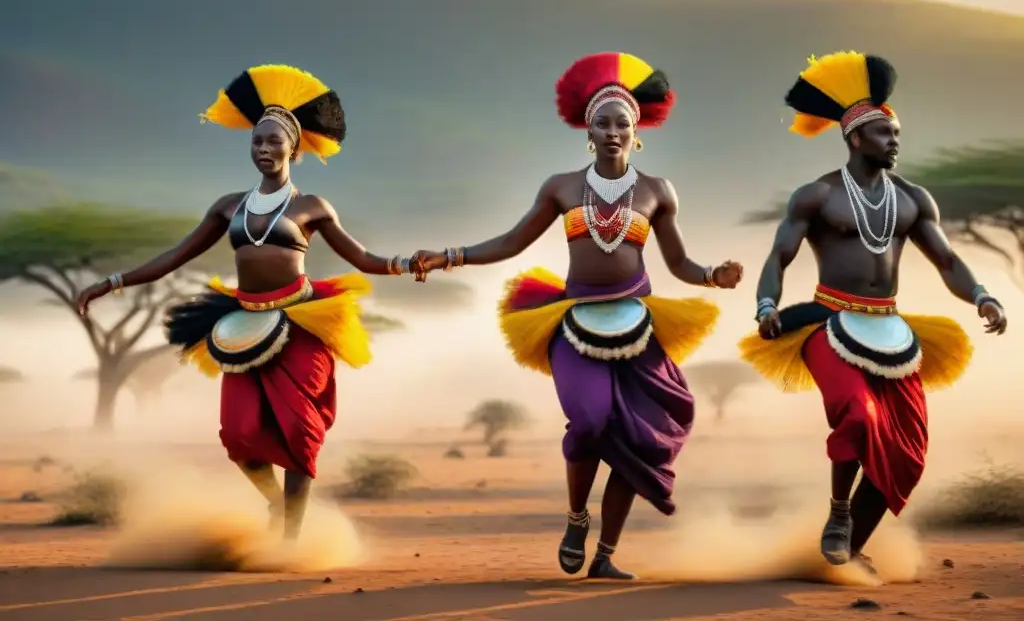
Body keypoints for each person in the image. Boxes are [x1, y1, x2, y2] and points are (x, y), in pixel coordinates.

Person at [413, 52, 743, 580]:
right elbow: (511, 241)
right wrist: (450, 255)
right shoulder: (561, 186)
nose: (613, 131)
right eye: (603, 122)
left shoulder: (658, 191)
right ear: (587, 130)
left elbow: (678, 261)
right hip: (573, 322)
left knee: (639, 440)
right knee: (589, 420)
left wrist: (711, 276)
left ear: (638, 133)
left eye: (623, 123)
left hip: (639, 324)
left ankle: (606, 556)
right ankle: (576, 518)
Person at [75, 64, 423, 540]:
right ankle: (278, 504)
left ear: (294, 148)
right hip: (242, 324)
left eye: (273, 142)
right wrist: (111, 282)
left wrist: (409, 264)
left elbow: (363, 258)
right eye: (256, 141)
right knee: (239, 438)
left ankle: (291, 540)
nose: (263, 149)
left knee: (301, 434)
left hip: (301, 321)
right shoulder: (227, 206)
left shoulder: (313, 207)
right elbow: (175, 256)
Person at [740, 51, 1008, 571]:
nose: (896, 140)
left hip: (890, 330)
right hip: (827, 323)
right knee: (858, 418)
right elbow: (779, 256)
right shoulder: (816, 196)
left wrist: (981, 295)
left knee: (908, 454)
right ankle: (839, 514)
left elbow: (947, 260)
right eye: (885, 133)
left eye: (897, 132)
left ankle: (852, 546)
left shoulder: (912, 199)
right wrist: (767, 304)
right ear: (856, 137)